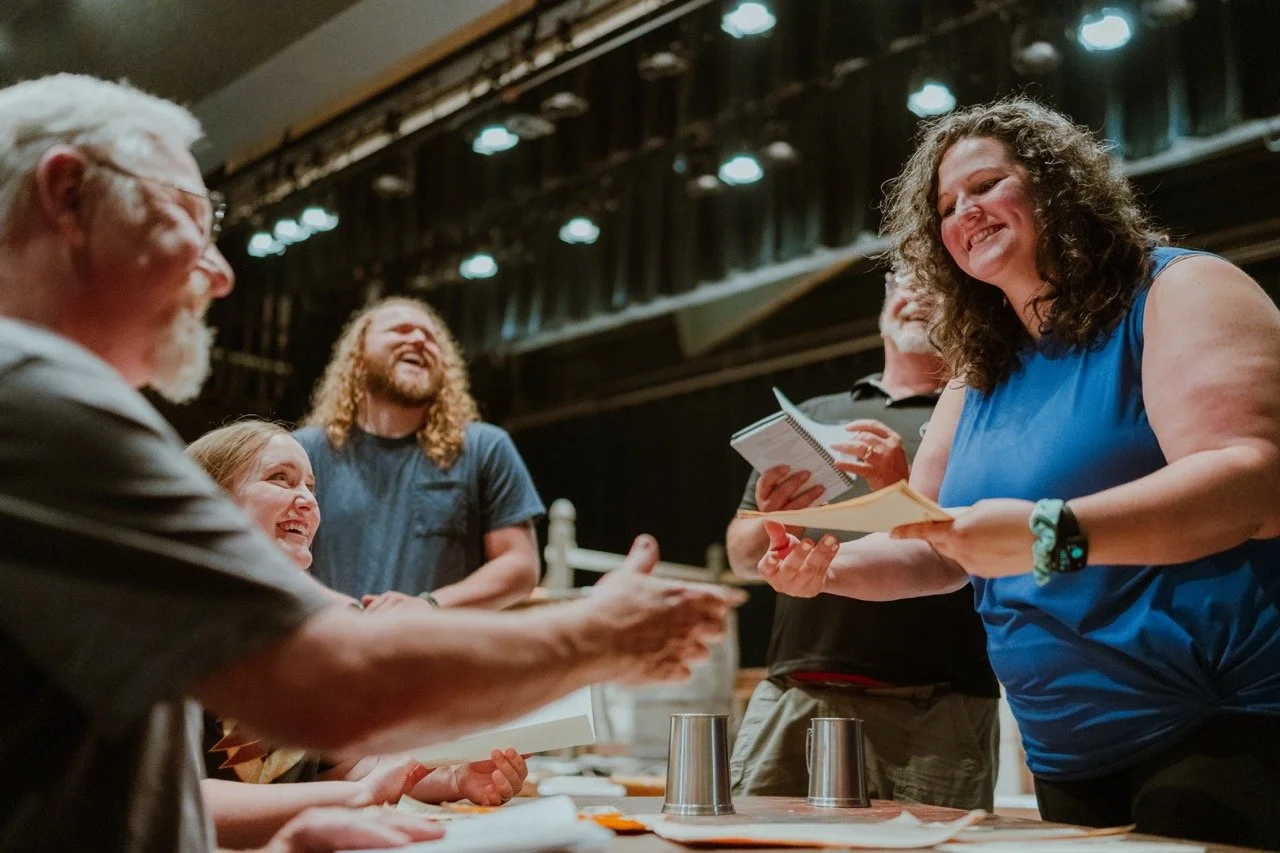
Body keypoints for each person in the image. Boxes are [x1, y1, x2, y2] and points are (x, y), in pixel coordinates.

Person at [0, 73, 740, 852]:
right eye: (188, 216)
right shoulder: (35, 396)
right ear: (69, 193)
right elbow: (329, 688)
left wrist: (293, 831)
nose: (219, 272)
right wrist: (602, 636)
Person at [757, 97, 1280, 849]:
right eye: (945, 204)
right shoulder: (979, 369)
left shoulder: (1180, 289)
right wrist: (823, 564)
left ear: (1057, 184)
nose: (963, 210)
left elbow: (1250, 486)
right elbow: (935, 544)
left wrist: (1049, 535)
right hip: (1066, 748)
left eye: (985, 185)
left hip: (1217, 726)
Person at [187, 420, 529, 850]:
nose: (308, 502)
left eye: (311, 488)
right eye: (281, 479)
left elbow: (343, 770)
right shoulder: (165, 626)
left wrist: (452, 776)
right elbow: (181, 798)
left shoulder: (303, 640)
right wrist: (357, 797)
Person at [724, 274, 998, 809]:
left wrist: (900, 486)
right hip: (794, 696)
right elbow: (741, 556)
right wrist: (775, 516)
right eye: (903, 282)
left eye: (935, 284)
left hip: (934, 708)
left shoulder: (984, 415)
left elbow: (979, 548)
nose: (917, 295)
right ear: (881, 309)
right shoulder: (813, 417)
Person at [295, 297, 542, 608]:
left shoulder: (484, 448)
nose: (419, 339)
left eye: (431, 337)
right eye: (400, 330)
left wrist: (428, 606)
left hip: (436, 652)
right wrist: (345, 613)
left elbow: (521, 566)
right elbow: (265, 557)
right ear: (358, 355)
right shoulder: (302, 452)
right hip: (330, 649)